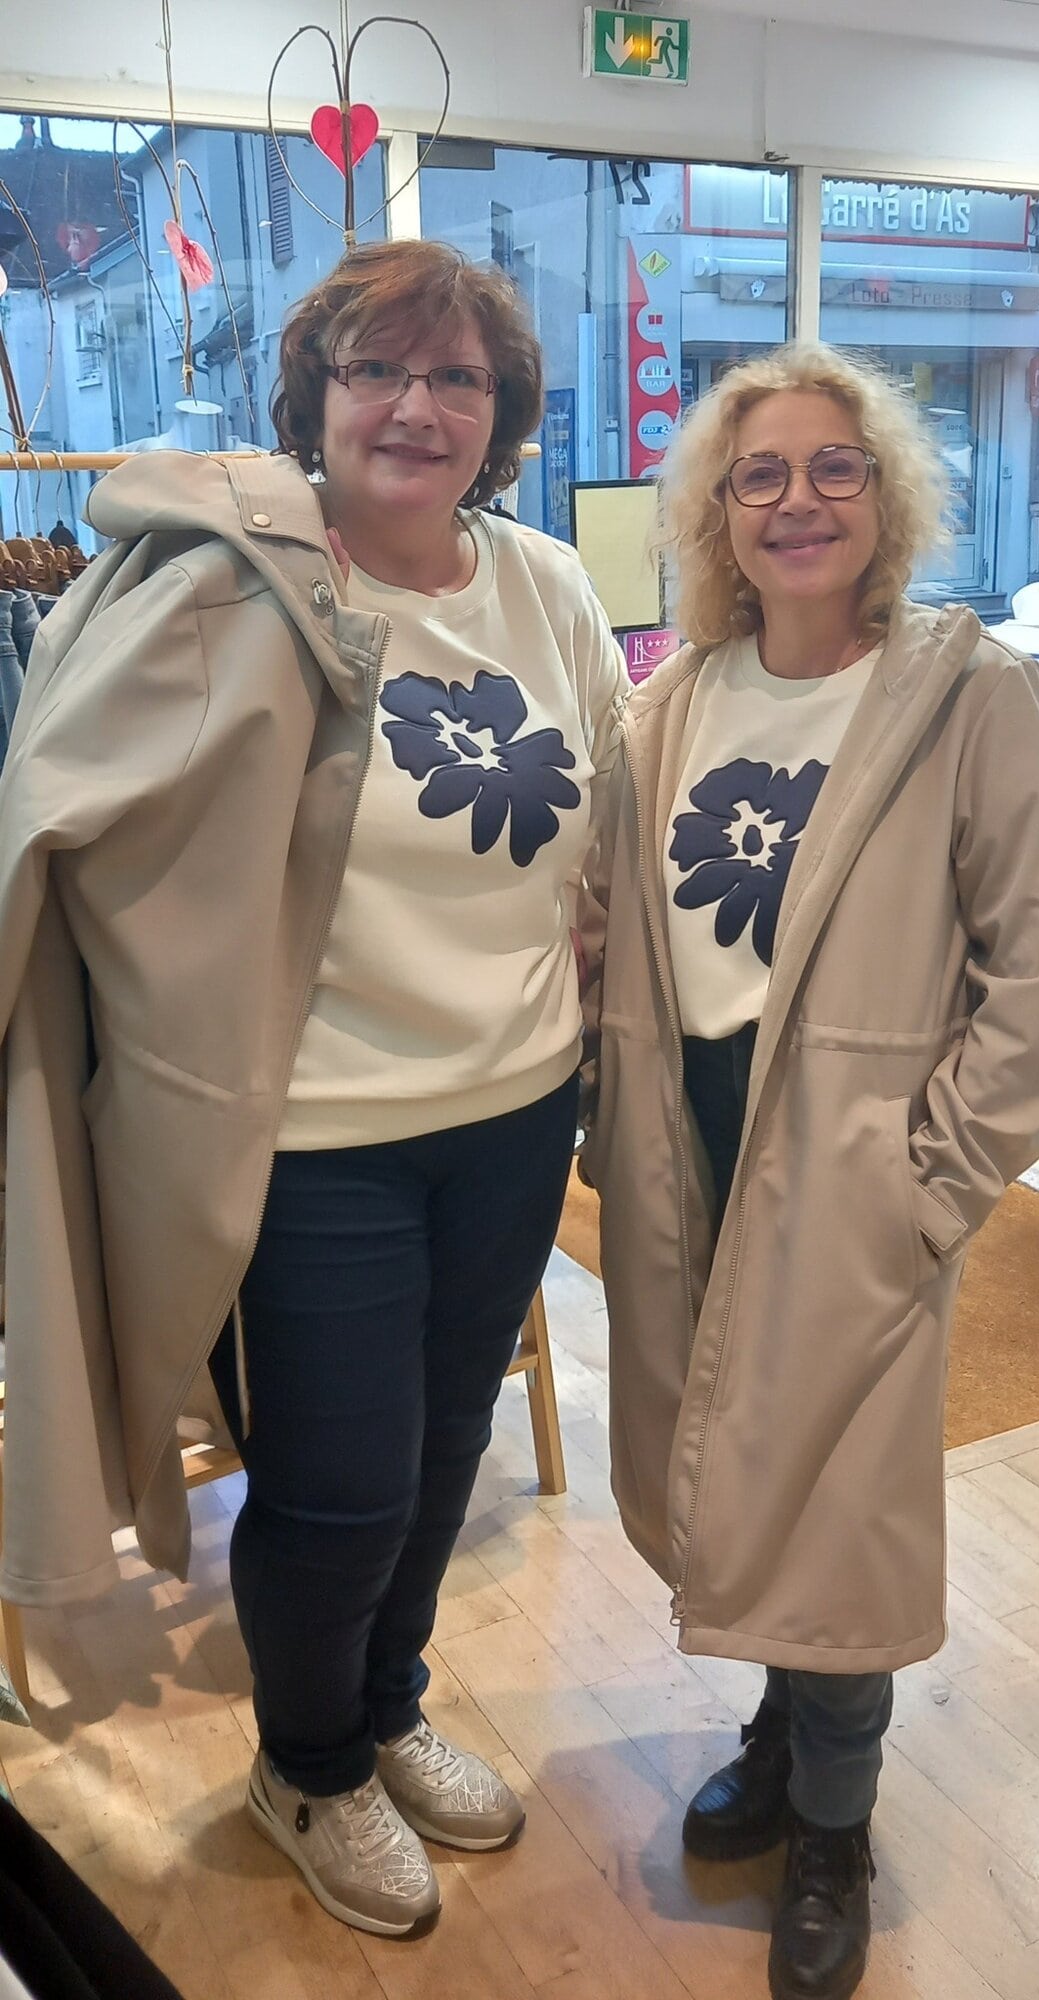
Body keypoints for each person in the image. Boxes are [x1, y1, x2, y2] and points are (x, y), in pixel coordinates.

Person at [0, 240, 627, 1937]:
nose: (418, 406)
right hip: (314, 1140)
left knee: (444, 1455)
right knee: (339, 1489)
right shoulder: (232, 591)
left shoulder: (546, 587)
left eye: (458, 378)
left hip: (514, 1116)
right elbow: (80, 825)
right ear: (317, 397)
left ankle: (387, 1708)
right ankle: (309, 1764)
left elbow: (615, 804)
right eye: (378, 370)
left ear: (501, 415)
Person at [577, 344, 1039, 2000]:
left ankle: (835, 1826)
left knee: (845, 1499)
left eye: (835, 467)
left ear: (887, 497)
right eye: (761, 475)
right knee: (730, 1455)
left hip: (860, 1153)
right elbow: (612, 924)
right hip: (688, 1136)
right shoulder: (672, 701)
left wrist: (937, 1183)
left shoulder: (963, 695)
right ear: (718, 515)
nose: (797, 500)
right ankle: (782, 1731)